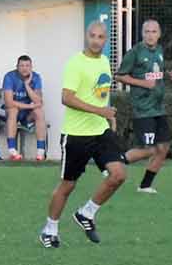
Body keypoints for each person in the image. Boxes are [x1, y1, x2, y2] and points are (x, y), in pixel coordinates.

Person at [41, 20, 126, 247]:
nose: (96, 41)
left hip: (100, 130)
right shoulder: (75, 63)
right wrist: (100, 111)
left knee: (118, 175)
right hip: (76, 134)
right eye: (92, 36)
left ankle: (86, 213)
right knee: (68, 185)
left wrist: (108, 116)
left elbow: (99, 95)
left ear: (106, 40)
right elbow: (66, 98)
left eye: (100, 37)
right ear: (86, 37)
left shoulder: (105, 62)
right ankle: (50, 229)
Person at [115, 19, 170, 194]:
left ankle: (145, 185)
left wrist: (169, 75)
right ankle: (113, 161)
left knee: (163, 148)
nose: (150, 35)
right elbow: (120, 76)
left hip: (158, 109)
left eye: (154, 32)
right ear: (142, 34)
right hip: (143, 109)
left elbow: (155, 74)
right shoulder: (135, 52)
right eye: (147, 31)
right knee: (148, 150)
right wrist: (143, 84)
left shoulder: (159, 50)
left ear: (159, 34)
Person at [2, 56, 49, 162]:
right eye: (22, 66)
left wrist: (27, 85)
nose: (24, 68)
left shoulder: (36, 77)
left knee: (39, 111)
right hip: (12, 112)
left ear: (31, 67)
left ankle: (40, 152)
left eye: (27, 66)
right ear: (17, 67)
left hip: (27, 114)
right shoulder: (9, 76)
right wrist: (30, 106)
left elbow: (38, 101)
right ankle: (12, 151)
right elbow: (9, 102)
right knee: (13, 110)